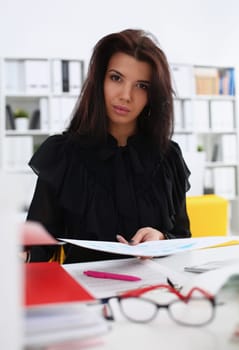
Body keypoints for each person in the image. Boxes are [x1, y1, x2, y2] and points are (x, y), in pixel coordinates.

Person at [27, 28, 191, 264]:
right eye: (116, 78)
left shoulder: (169, 157)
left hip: (153, 292)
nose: (126, 95)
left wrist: (162, 238)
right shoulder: (62, 155)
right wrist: (22, 256)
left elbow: (183, 236)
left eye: (141, 85)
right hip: (85, 294)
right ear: (99, 81)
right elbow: (39, 248)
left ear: (152, 95)